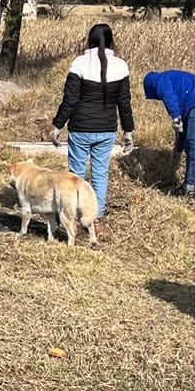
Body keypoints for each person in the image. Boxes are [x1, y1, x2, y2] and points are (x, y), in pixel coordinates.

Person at [50, 23, 134, 236]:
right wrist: (128, 131)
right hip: (106, 129)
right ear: (111, 40)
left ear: (90, 39)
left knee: (75, 175)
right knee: (100, 174)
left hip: (80, 127)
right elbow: (124, 103)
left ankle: (72, 220)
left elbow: (70, 100)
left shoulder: (79, 64)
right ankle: (97, 219)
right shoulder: (121, 66)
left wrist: (58, 124)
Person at [142, 69, 195, 203]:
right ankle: (189, 187)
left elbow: (168, 95)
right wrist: (178, 150)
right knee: (191, 147)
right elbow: (183, 132)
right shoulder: (182, 90)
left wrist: (175, 117)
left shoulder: (160, 79)